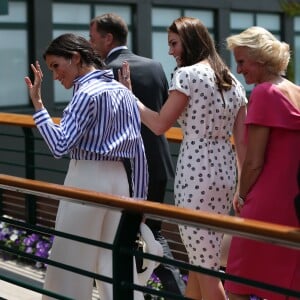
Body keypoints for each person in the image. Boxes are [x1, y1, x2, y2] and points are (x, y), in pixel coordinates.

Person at [120, 16, 247, 300]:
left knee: (205, 265)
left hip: (196, 172)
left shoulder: (186, 75)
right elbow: (243, 143)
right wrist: (243, 187)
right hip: (226, 173)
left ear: (189, 42)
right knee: (202, 258)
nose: (170, 51)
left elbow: (159, 124)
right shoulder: (232, 80)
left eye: (174, 44)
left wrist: (130, 97)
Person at [24, 33, 148, 300]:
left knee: (71, 260)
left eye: (56, 66)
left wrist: (38, 106)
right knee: (114, 262)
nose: (55, 76)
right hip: (121, 182)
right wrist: (140, 201)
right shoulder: (123, 92)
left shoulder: (85, 93)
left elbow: (59, 146)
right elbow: (138, 152)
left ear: (76, 57)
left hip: (87, 178)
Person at [89, 13, 186, 297]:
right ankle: (175, 292)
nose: (90, 44)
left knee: (120, 239)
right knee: (152, 234)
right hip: (157, 167)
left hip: (125, 171)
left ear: (108, 38)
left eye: (93, 38)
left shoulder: (104, 72)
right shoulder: (155, 66)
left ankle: (132, 293)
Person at [225, 26, 300, 300]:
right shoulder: (297, 91)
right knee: (285, 284)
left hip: (265, 204)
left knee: (237, 282)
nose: (239, 69)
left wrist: (242, 195)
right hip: (293, 203)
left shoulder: (264, 93)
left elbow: (254, 162)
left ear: (261, 58)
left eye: (242, 61)